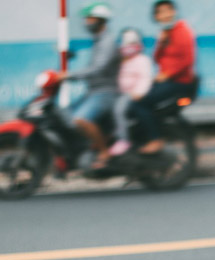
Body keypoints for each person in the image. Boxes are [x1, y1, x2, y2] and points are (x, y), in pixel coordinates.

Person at [128, 0, 196, 154]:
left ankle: (155, 139)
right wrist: (162, 41)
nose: (165, 15)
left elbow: (187, 60)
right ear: (156, 17)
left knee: (140, 101)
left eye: (167, 11)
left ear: (174, 12)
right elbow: (156, 59)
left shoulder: (182, 30)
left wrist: (167, 74)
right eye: (160, 12)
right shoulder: (167, 33)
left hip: (179, 82)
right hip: (167, 80)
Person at [58, 2, 120, 167]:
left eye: (91, 19)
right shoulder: (98, 40)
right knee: (65, 115)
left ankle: (103, 152)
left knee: (81, 119)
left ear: (101, 20)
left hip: (106, 92)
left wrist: (69, 75)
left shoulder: (107, 41)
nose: (88, 23)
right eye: (87, 19)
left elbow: (98, 68)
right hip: (93, 91)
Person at [107, 29, 153, 158]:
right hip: (120, 94)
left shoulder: (142, 60)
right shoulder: (122, 62)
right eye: (126, 43)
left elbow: (145, 78)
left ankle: (124, 140)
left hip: (132, 95)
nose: (128, 47)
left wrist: (138, 93)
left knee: (119, 109)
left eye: (132, 43)